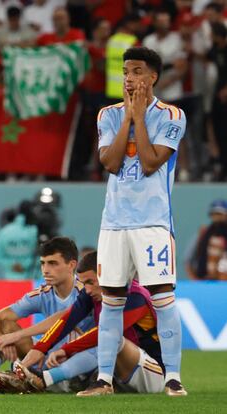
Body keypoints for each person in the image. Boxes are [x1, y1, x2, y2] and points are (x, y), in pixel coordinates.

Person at [88, 46, 187, 397]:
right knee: (111, 299)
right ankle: (103, 380)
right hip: (113, 222)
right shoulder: (108, 115)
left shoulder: (173, 115)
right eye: (125, 71)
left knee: (162, 297)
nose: (128, 78)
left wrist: (141, 118)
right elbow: (111, 163)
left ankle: (172, 378)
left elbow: (148, 162)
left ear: (153, 77)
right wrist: (128, 118)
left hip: (153, 223)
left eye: (137, 71)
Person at [0, 237, 93, 393]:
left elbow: (63, 319)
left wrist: (14, 337)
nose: (45, 270)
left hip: (78, 365)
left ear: (71, 265)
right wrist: (1, 340)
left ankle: (21, 381)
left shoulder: (88, 292)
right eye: (43, 263)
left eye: (53, 263)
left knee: (11, 334)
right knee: (5, 327)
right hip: (46, 359)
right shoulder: (41, 295)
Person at [6, 250, 164, 395]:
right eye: (83, 283)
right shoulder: (91, 294)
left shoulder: (135, 296)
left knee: (110, 337)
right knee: (82, 347)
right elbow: (68, 319)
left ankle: (46, 378)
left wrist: (67, 350)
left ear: (107, 275)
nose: (87, 289)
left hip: (150, 374)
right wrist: (41, 348)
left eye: (90, 282)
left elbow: (106, 331)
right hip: (113, 373)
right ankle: (25, 377)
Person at [0, 200, 39, 280]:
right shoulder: (36, 230)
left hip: (11, 280)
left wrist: (11, 265)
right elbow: (46, 257)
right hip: (35, 281)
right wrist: (26, 264)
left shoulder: (4, 231)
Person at [185, 199, 227, 280]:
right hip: (205, 280)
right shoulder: (203, 233)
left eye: (220, 214)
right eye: (214, 214)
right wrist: (194, 279)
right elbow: (188, 259)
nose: (217, 217)